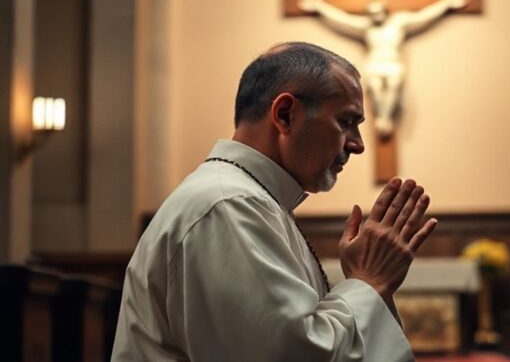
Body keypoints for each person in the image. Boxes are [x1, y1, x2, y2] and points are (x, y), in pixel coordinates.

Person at [111, 42, 438, 362]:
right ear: (285, 115)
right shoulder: (228, 207)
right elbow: (291, 355)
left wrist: (362, 282)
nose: (358, 145)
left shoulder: (250, 200)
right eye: (346, 122)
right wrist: (368, 281)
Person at [298, 0, 468, 137]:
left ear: (384, 11)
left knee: (394, 85)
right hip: (375, 64)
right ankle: (381, 118)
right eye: (371, 13)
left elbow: (424, 16)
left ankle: (385, 118)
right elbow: (343, 20)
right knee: (374, 87)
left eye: (378, 11)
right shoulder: (367, 27)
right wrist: (319, 7)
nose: (375, 15)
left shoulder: (399, 23)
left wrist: (446, 3)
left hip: (393, 64)